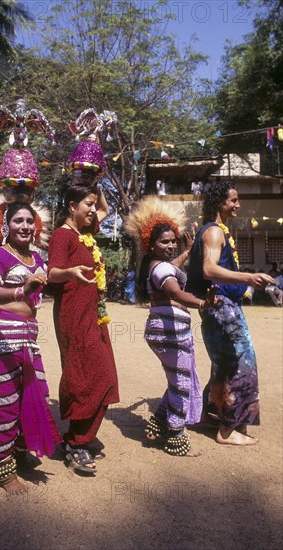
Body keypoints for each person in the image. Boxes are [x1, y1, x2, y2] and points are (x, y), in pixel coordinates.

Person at [0, 202, 61, 494]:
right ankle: (3, 471)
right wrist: (22, 290)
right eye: (18, 220)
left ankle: (17, 454)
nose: (25, 226)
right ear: (6, 226)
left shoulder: (37, 258)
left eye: (29, 221)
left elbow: (52, 280)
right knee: (4, 406)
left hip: (26, 342)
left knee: (34, 399)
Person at [125, 197, 217, 457]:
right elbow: (175, 291)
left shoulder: (156, 265)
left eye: (172, 240)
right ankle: (176, 437)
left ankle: (158, 422)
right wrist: (202, 302)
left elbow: (172, 268)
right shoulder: (161, 270)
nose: (170, 245)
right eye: (164, 242)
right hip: (169, 333)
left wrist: (186, 251)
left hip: (168, 331)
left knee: (179, 380)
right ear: (151, 244)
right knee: (181, 383)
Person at [186, 181, 274, 446]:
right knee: (240, 364)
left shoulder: (217, 231)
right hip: (221, 308)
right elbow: (209, 270)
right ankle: (227, 430)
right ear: (219, 203)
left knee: (223, 365)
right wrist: (248, 277)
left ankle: (211, 415)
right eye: (233, 200)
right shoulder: (214, 233)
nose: (238, 205)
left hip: (220, 307)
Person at [47, 185, 119, 474]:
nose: (92, 210)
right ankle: (76, 444)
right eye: (86, 204)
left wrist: (97, 183)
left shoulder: (86, 234)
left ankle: (82, 437)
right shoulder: (62, 235)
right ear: (71, 205)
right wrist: (70, 272)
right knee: (82, 374)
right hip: (73, 314)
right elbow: (52, 271)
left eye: (92, 204)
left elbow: (105, 209)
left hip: (94, 314)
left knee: (104, 374)